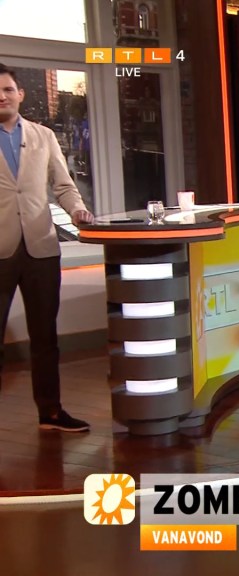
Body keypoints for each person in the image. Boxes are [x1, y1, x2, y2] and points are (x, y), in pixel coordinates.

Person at [0, 63, 93, 432]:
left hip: (41, 247)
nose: (2, 97)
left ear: (20, 94)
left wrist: (77, 210)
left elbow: (64, 186)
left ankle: (50, 412)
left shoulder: (44, 136)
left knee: (45, 337)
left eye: (8, 89)